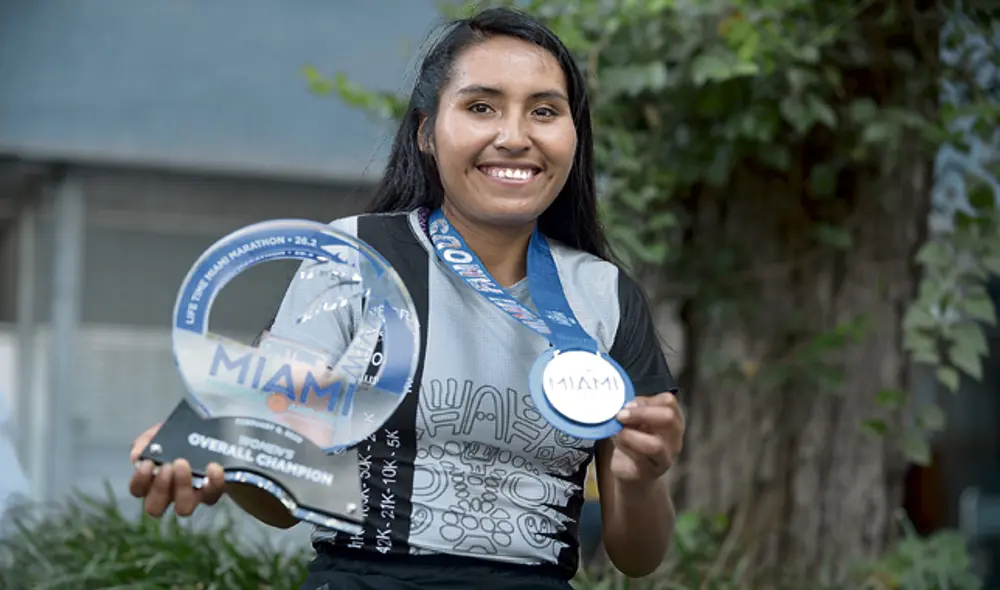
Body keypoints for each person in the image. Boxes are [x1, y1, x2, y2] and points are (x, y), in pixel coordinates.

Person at [128, 7, 685, 589]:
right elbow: (284, 489)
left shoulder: (608, 295)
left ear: (573, 134)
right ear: (426, 131)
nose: (515, 137)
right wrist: (218, 452)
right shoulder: (353, 255)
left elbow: (638, 556)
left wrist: (639, 479)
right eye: (480, 107)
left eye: (544, 111)